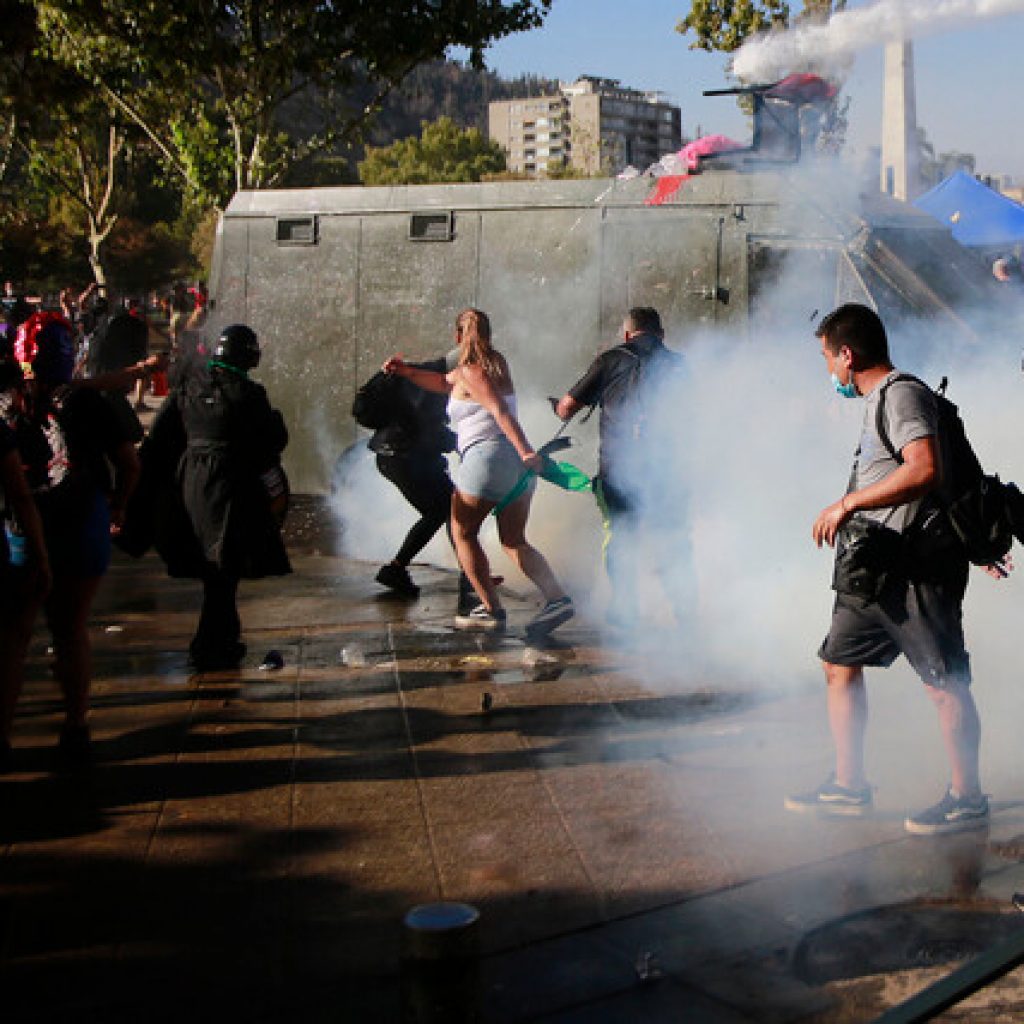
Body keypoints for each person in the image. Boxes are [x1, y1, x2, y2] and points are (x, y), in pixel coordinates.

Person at [786, 302, 1002, 835]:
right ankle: (848, 785)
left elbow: (924, 468)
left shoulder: (902, 394)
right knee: (838, 663)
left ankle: (967, 797)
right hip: (873, 567)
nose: (827, 370)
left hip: (915, 569)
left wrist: (848, 504)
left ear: (847, 354)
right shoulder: (877, 399)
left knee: (942, 681)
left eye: (827, 358)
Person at [0, 320, 140, 767]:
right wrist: (118, 506)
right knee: (71, 629)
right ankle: (76, 726)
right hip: (82, 521)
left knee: (14, 636)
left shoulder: (6, 402)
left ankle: (2, 737)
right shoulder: (89, 401)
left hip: (22, 526)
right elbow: (129, 462)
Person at [384, 308, 573, 637]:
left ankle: (490, 610)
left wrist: (527, 450)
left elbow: (499, 411)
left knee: (463, 533)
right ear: (488, 334)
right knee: (514, 541)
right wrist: (406, 371)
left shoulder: (472, 372)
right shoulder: (495, 365)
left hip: (489, 458)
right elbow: (441, 382)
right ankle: (557, 600)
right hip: (514, 467)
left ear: (458, 336)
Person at [147, 323, 291, 670]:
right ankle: (210, 645)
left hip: (192, 482)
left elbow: (159, 435)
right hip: (231, 484)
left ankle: (220, 639)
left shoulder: (190, 386)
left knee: (215, 566)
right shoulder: (249, 394)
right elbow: (272, 441)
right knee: (223, 566)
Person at [553, 306, 688, 631]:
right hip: (666, 469)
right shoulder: (680, 365)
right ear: (661, 334)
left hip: (617, 468)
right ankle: (683, 612)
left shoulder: (611, 359)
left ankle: (625, 609)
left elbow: (566, 408)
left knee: (621, 535)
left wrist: (560, 406)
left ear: (628, 334)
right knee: (671, 538)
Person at [355, 348, 476, 609]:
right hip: (405, 457)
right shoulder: (434, 383)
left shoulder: (418, 372)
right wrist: (463, 443)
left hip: (392, 456)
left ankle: (398, 569)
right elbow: (427, 429)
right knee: (449, 509)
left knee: (443, 509)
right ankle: (470, 576)